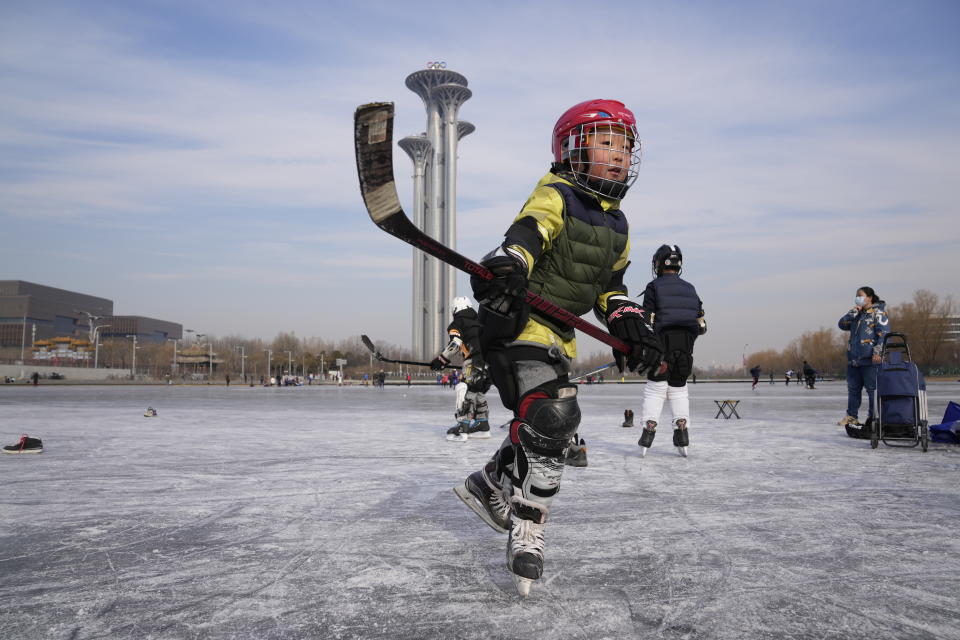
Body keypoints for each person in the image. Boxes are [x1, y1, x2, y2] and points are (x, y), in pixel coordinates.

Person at [453, 99, 663, 596]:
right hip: (518, 327)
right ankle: (529, 528)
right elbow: (526, 236)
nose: (617, 153)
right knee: (553, 421)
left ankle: (489, 482)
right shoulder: (557, 194)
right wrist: (509, 265)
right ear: (573, 150)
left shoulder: (620, 227)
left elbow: (608, 290)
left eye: (625, 145)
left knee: (546, 424)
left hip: (557, 338)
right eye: (606, 141)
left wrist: (630, 322)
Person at [636, 244, 706, 458]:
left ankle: (649, 429)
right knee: (679, 389)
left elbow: (646, 320)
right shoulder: (691, 288)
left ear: (658, 263)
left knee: (656, 389)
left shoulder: (654, 286)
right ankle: (682, 430)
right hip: (685, 348)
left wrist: (642, 345)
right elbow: (702, 325)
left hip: (661, 346)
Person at [431, 297, 491, 441]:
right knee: (477, 391)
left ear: (455, 310)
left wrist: (441, 360)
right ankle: (482, 424)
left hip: (473, 361)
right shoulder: (480, 323)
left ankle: (462, 426)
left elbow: (455, 343)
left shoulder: (457, 323)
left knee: (464, 389)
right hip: (489, 363)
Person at [838, 286, 890, 427]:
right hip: (854, 359)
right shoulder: (857, 314)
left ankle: (874, 418)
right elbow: (841, 324)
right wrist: (853, 312)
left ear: (869, 297)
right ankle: (851, 416)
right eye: (856, 295)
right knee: (853, 389)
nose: (858, 298)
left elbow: (884, 335)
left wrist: (878, 352)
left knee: (872, 390)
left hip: (870, 359)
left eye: (860, 295)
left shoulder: (878, 313)